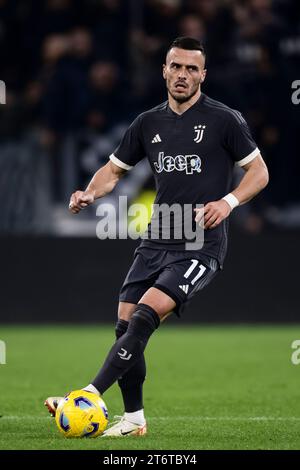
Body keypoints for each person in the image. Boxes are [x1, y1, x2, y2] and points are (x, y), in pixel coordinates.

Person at [45, 37, 269, 436]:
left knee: (147, 314)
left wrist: (229, 202)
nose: (183, 75)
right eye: (176, 67)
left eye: (191, 69)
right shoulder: (147, 123)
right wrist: (90, 191)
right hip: (158, 237)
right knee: (125, 325)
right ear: (164, 70)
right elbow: (113, 170)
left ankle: (88, 394)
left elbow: (259, 173)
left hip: (202, 241)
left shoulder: (224, 119)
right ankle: (133, 419)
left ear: (203, 74)